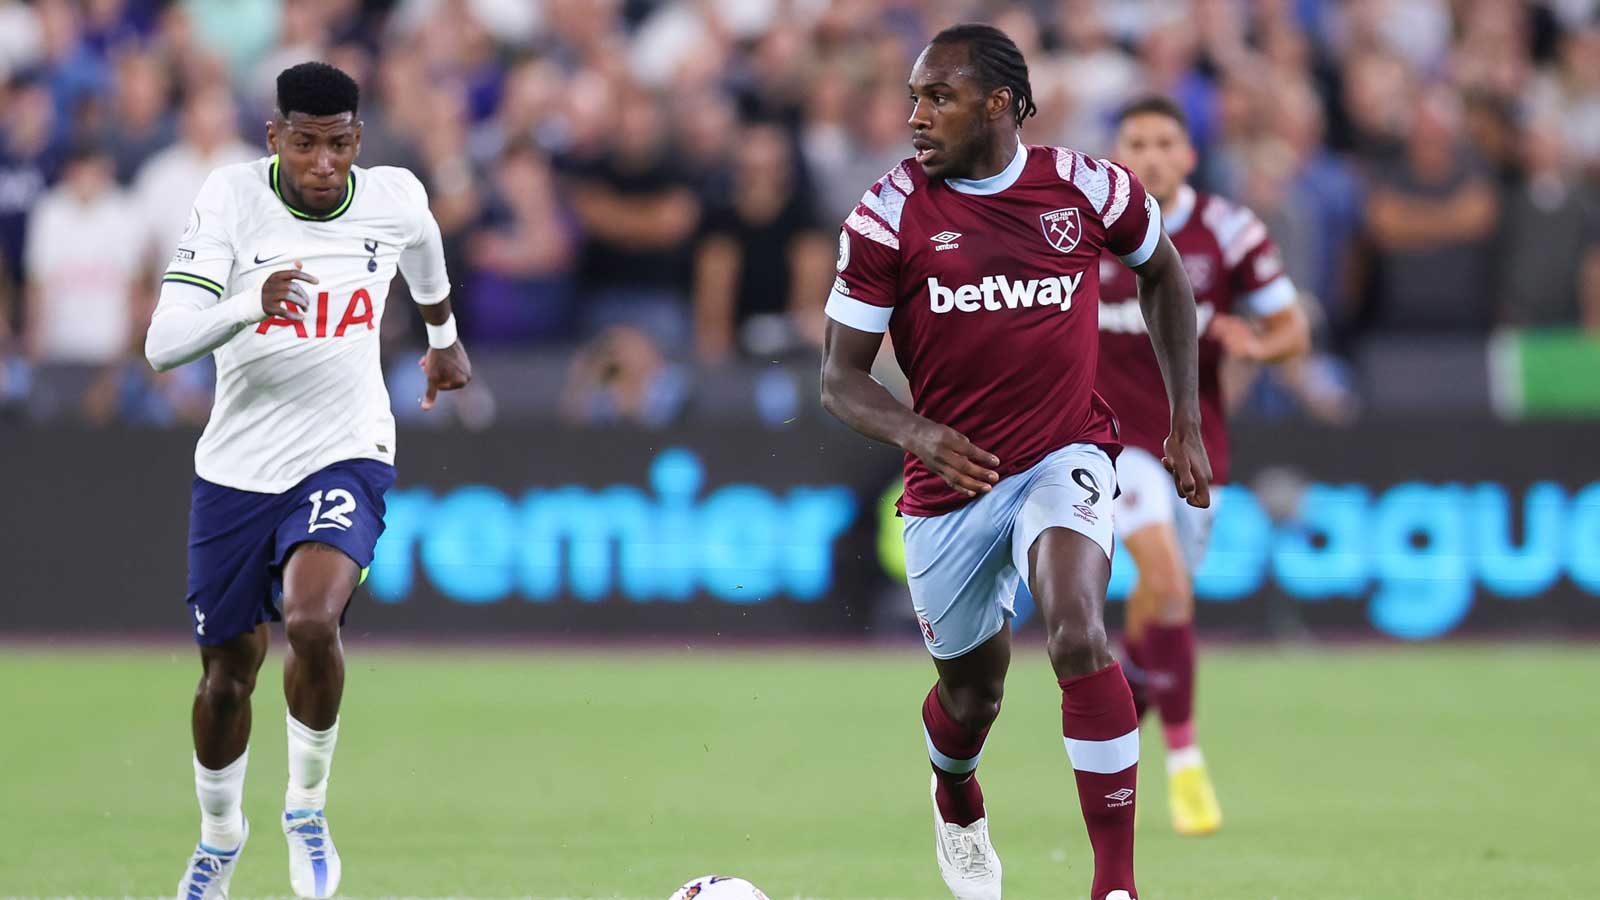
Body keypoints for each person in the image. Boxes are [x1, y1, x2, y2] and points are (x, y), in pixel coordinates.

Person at [820, 24, 1210, 900]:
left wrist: (1183, 418)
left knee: (1077, 631)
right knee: (972, 699)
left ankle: (1115, 885)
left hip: (1063, 450)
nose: (915, 115)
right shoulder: (888, 215)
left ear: (1000, 104)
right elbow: (839, 381)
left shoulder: (1085, 188)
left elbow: (1165, 275)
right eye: (915, 96)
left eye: (937, 97)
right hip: (949, 483)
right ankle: (955, 792)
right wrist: (919, 435)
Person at [145, 61, 471, 900]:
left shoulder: (392, 196)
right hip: (237, 467)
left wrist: (442, 333)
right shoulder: (231, 199)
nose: (322, 163)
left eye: (337, 144)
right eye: (305, 144)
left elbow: (425, 244)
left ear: (358, 139)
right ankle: (221, 837)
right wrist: (247, 301)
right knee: (226, 677)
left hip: (346, 446)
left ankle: (306, 808)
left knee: (312, 620)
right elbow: (163, 343)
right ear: (274, 139)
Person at [1095, 95, 1310, 836]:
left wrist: (1254, 344)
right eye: (1137, 142)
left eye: (1165, 143)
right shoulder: (1083, 226)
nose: (1151, 156)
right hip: (1106, 446)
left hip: (1190, 447)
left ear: (1188, 156)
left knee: (1158, 613)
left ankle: (1109, 736)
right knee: (1164, 579)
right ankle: (1186, 764)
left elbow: (1292, 329)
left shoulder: (1227, 230)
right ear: (1118, 153)